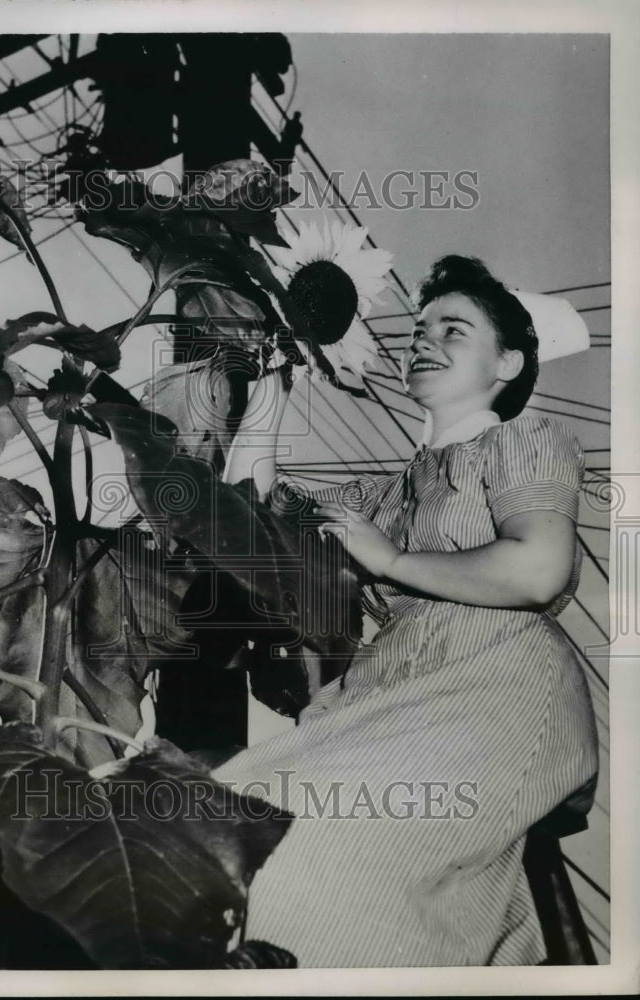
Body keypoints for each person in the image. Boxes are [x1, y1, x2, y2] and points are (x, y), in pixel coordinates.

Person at [212, 255, 599, 967]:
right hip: (388, 694)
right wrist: (275, 375)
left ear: (507, 363)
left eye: (453, 330)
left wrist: (387, 561)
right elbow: (248, 516)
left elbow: (538, 571)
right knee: (220, 815)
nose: (422, 341)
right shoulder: (381, 496)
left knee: (309, 838)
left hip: (499, 679)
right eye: (418, 330)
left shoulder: (524, 440)